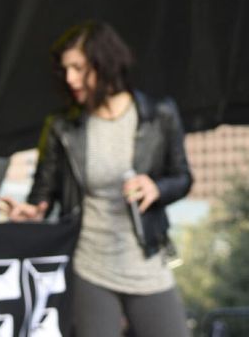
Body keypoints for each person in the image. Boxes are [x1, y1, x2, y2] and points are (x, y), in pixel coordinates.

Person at [11, 20, 192, 337]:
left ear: (104, 63)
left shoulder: (159, 115)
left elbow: (183, 178)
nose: (70, 78)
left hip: (146, 262)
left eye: (78, 68)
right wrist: (32, 212)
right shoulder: (62, 127)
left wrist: (157, 187)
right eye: (65, 70)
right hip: (89, 265)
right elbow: (42, 194)